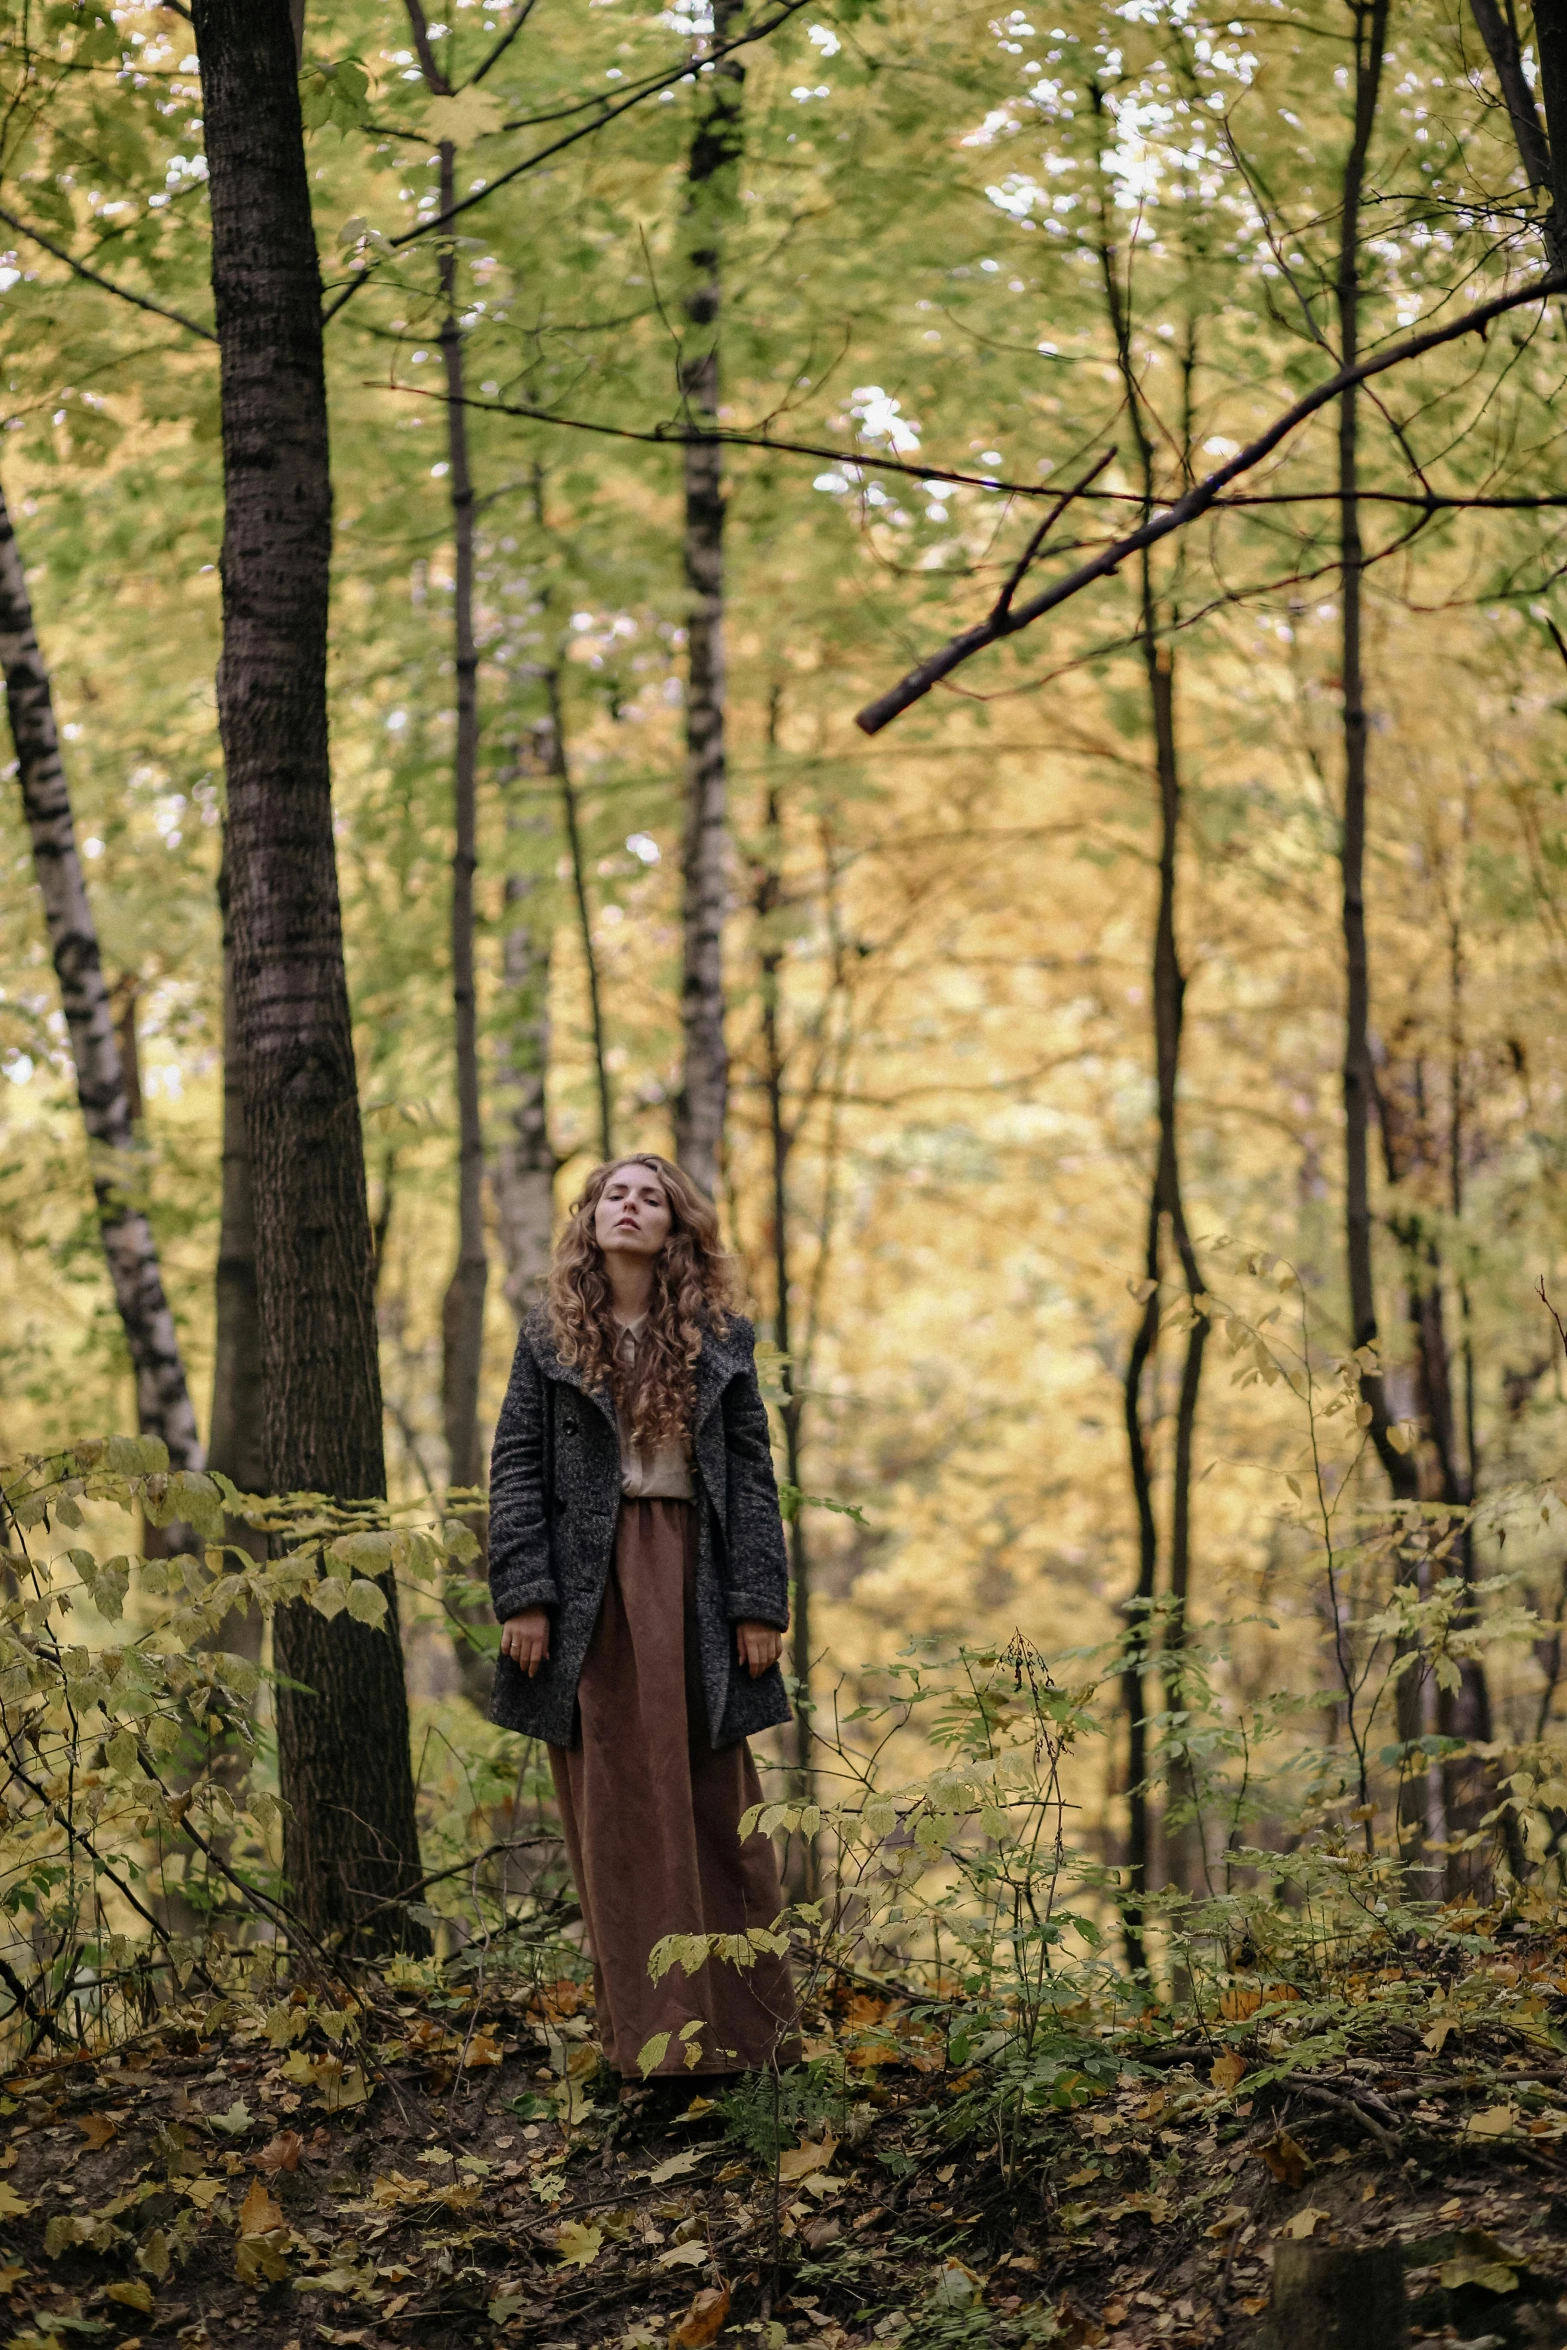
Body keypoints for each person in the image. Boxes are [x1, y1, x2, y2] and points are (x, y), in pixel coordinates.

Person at [487, 1153, 799, 2084]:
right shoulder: (549, 1337)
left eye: (649, 1197)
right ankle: (652, 2054)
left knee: (713, 1803)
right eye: (613, 1194)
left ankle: (748, 2047)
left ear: (676, 1227)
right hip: (587, 1599)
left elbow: (750, 1476)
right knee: (615, 1810)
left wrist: (756, 1605)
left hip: (696, 1590)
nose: (629, 1207)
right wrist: (526, 1597)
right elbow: (514, 1467)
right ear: (590, 1219)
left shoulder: (721, 1338)